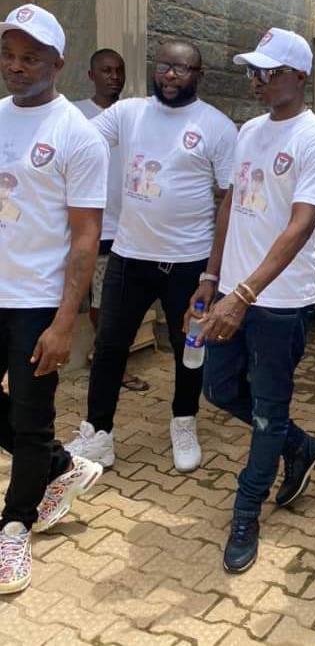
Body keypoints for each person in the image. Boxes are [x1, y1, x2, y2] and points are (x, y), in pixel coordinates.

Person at [186, 28, 315, 574]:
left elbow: (300, 226)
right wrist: (212, 277)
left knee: (269, 409)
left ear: (299, 77)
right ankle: (300, 446)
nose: (256, 81)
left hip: (279, 301)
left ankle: (246, 511)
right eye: (253, 71)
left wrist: (246, 294)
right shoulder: (249, 130)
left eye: (268, 73)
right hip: (232, 290)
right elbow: (231, 204)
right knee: (219, 388)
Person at [65, 40, 238, 473]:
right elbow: (78, 140)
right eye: (164, 66)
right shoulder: (128, 113)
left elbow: (230, 201)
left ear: (198, 74)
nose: (170, 75)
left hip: (189, 263)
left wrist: (213, 274)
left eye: (181, 68)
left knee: (188, 348)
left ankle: (184, 421)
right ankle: (99, 433)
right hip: (129, 257)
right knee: (110, 346)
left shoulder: (217, 126)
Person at [0, 4, 107, 594]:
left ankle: (15, 527)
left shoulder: (77, 135)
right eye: (9, 55)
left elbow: (86, 237)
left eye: (30, 57)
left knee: (29, 420)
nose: (16, 66)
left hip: (38, 301)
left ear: (58, 64)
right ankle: (63, 466)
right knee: (27, 428)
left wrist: (65, 323)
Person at [74, 48, 149, 393]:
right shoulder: (77, 115)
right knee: (102, 301)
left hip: (132, 226)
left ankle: (106, 359)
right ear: (91, 75)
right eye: (106, 70)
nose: (114, 77)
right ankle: (109, 365)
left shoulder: (136, 115)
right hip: (97, 226)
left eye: (119, 71)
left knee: (126, 301)